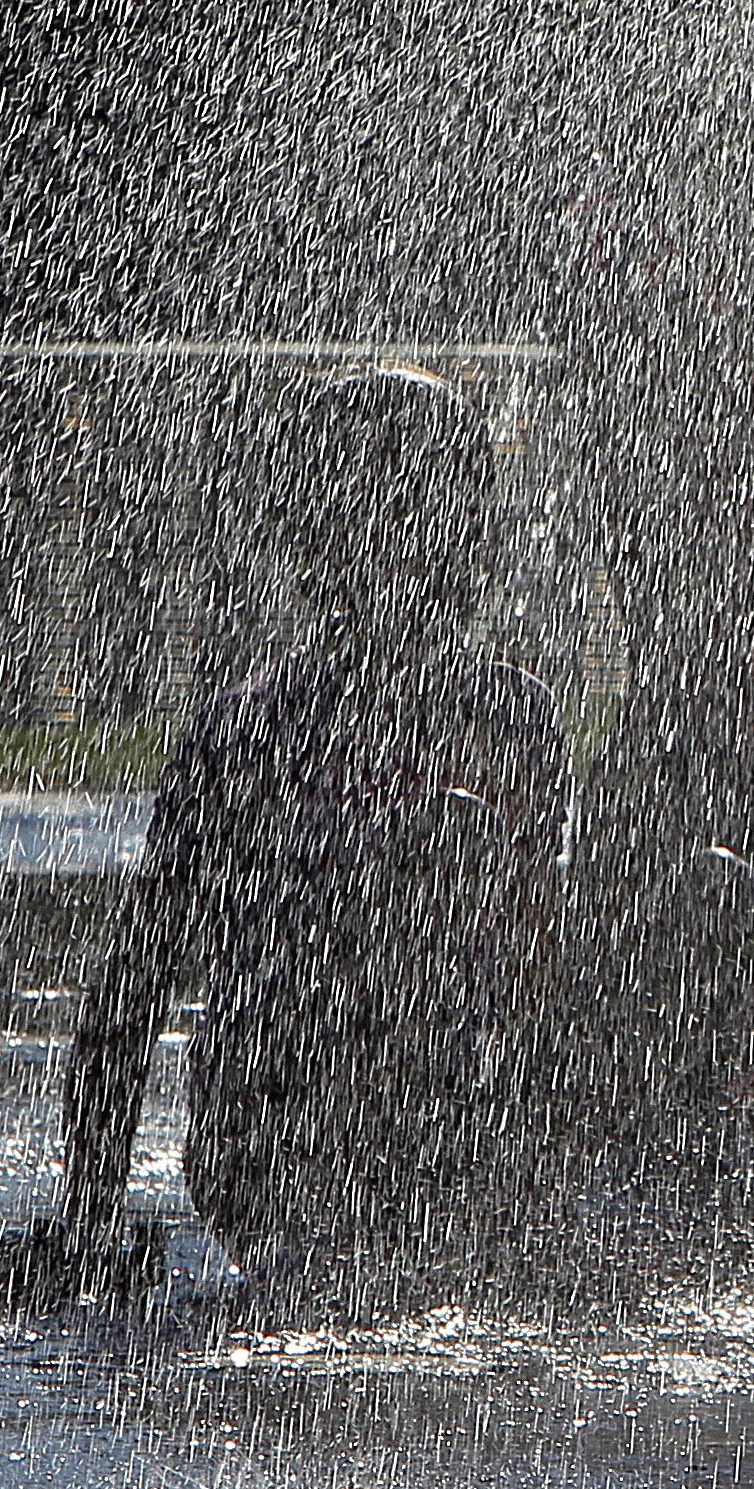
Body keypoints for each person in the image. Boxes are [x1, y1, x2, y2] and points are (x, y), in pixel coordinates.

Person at [54, 363, 569, 1300]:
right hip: (311, 1148)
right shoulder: (259, 729)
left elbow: (127, 993)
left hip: (394, 1143)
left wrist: (90, 1209)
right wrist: (87, 1223)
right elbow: (134, 981)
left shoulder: (507, 718)